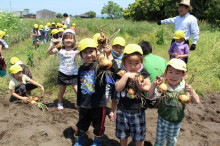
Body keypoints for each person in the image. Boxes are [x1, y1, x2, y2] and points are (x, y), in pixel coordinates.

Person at [74, 38, 118, 146]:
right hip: (85, 104)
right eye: (85, 52)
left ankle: (97, 142)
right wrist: (78, 103)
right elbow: (79, 87)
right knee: (81, 125)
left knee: (99, 126)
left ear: (96, 52)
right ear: (80, 55)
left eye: (91, 51)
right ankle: (78, 141)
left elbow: (115, 71)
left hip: (99, 104)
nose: (89, 55)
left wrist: (109, 55)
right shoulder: (81, 69)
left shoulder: (100, 66)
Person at [148, 58, 200, 146]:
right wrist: (154, 84)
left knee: (171, 142)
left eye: (177, 73)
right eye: (170, 72)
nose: (173, 76)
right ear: (166, 73)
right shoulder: (163, 86)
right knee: (159, 141)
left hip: (175, 121)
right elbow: (150, 97)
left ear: (183, 75)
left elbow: (196, 101)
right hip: (162, 119)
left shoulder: (185, 88)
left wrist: (192, 92)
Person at [115, 44, 151, 146]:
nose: (133, 66)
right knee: (123, 135)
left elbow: (148, 86)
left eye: (136, 63)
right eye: (129, 62)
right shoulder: (121, 72)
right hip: (122, 109)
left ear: (141, 62)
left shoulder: (142, 72)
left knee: (139, 136)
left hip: (138, 110)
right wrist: (126, 76)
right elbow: (118, 88)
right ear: (124, 62)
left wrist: (141, 87)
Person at [46, 29, 78, 110]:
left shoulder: (76, 50)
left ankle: (79, 104)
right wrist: (52, 45)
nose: (68, 40)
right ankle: (60, 102)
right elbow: (48, 53)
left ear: (74, 40)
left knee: (77, 90)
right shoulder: (60, 49)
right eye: (66, 38)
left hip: (74, 74)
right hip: (63, 73)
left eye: (71, 38)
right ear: (63, 40)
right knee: (62, 90)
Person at [104, 37, 126, 122]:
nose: (118, 49)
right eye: (116, 47)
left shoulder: (124, 57)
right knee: (106, 97)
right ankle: (103, 109)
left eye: (120, 48)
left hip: (117, 82)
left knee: (115, 99)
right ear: (112, 47)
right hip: (108, 79)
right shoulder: (109, 54)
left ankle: (112, 112)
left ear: (123, 48)